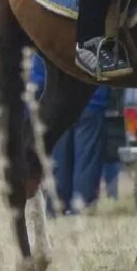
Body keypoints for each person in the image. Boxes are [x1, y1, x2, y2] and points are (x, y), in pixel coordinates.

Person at [32, 55, 109, 215]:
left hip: (60, 104)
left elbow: (37, 76)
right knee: (87, 159)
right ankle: (81, 209)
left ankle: (56, 207)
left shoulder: (53, 36)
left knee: (59, 157)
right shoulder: (95, 37)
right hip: (92, 103)